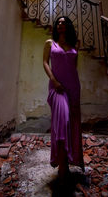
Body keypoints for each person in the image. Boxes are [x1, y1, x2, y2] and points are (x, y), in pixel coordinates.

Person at [43, 16, 84, 183]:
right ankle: (61, 165)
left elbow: (73, 67)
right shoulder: (49, 43)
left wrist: (72, 86)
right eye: (58, 22)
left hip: (73, 87)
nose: (60, 24)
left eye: (63, 22)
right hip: (57, 87)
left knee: (73, 124)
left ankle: (68, 161)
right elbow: (45, 62)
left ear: (68, 26)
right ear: (55, 27)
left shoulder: (76, 44)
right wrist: (54, 80)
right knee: (63, 122)